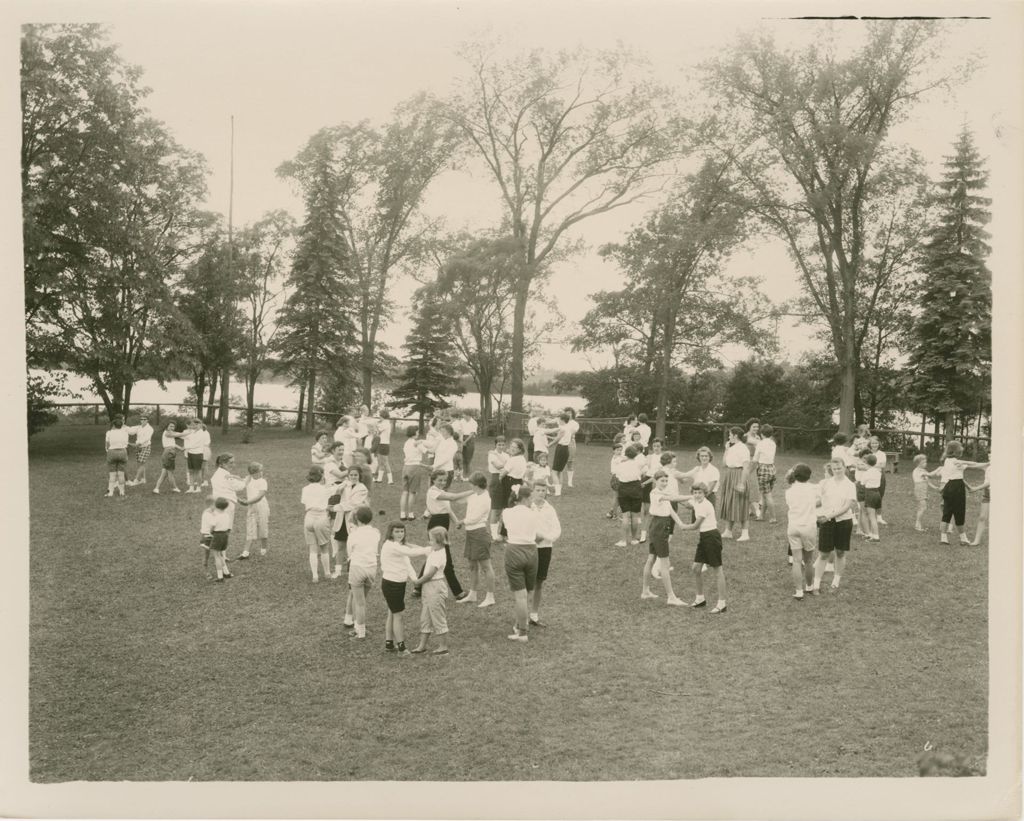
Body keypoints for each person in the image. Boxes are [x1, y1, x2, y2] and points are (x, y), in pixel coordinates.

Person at [379, 521, 432, 656]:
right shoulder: (391, 546)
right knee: (398, 616)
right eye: (396, 531)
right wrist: (429, 549)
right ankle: (401, 648)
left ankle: (389, 643)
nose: (400, 534)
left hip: (397, 584)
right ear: (390, 532)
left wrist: (415, 580)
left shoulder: (398, 546)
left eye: (402, 531)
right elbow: (412, 553)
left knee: (392, 612)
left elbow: (407, 563)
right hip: (392, 584)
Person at [423, 470, 475, 600]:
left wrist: (456, 521)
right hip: (436, 524)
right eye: (439, 480)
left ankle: (417, 588)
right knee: (445, 559)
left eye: (444, 480)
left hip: (443, 523)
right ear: (433, 480)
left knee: (434, 554)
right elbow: (454, 498)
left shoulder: (442, 492)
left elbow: (448, 509)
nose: (442, 482)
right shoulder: (432, 491)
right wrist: (474, 490)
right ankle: (458, 592)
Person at [640, 471, 690, 606]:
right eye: (662, 481)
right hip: (659, 527)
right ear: (655, 481)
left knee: (651, 558)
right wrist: (693, 496)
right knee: (665, 563)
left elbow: (671, 510)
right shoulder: (656, 493)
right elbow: (673, 499)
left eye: (666, 481)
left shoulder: (664, 493)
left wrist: (681, 524)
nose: (665, 483)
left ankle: (645, 591)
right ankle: (671, 597)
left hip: (659, 525)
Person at [678, 483, 727, 613]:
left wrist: (684, 526)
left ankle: (722, 603)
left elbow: (695, 525)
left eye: (700, 492)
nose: (697, 495)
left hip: (711, 537)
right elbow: (689, 504)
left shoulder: (705, 505)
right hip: (704, 538)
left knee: (717, 569)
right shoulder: (697, 502)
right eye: (695, 493)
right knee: (696, 568)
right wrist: (672, 500)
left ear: (705, 493)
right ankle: (700, 599)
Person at [502, 485, 542, 642]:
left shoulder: (507, 512)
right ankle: (519, 626)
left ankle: (523, 632)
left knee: (520, 595)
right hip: (532, 552)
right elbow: (538, 535)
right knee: (526, 593)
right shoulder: (534, 513)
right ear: (526, 498)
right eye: (531, 496)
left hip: (514, 551)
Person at [929, 441, 988, 546]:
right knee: (959, 512)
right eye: (960, 448)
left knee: (947, 512)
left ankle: (943, 538)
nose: (962, 449)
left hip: (948, 487)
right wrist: (988, 464)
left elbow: (961, 474)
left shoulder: (947, 461)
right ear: (956, 451)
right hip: (957, 488)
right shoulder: (957, 462)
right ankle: (963, 538)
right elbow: (974, 465)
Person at [812, 457, 858, 591]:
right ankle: (816, 584)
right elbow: (819, 500)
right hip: (826, 521)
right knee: (824, 553)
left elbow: (847, 506)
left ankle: (836, 581)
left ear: (845, 468)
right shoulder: (826, 483)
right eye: (834, 469)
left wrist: (828, 516)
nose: (837, 471)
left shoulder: (850, 485)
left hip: (843, 521)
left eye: (839, 468)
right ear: (831, 469)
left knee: (840, 552)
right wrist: (807, 506)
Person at [410, 526, 452, 655]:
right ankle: (422, 645)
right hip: (428, 588)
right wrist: (404, 544)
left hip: (435, 586)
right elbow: (418, 549)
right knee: (426, 616)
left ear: (439, 541)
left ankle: (443, 646)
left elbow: (430, 574)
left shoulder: (439, 554)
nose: (429, 542)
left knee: (437, 615)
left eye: (431, 540)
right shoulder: (434, 550)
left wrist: (418, 582)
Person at [342, 506, 380, 640]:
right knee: (361, 599)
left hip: (357, 567)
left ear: (357, 519)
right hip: (372, 568)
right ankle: (357, 627)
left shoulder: (353, 535)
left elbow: (349, 552)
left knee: (359, 602)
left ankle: (360, 631)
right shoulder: (376, 533)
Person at [784, 464, 820, 600]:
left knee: (797, 561)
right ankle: (809, 587)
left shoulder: (789, 491)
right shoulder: (813, 489)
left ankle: (798, 591)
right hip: (809, 526)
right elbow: (820, 500)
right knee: (809, 560)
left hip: (793, 526)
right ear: (809, 476)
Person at [461, 472, 496, 608]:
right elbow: (459, 500)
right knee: (472, 565)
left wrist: (461, 521)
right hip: (470, 533)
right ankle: (473, 594)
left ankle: (490, 596)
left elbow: (474, 518)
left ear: (477, 485)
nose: (470, 486)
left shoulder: (485, 499)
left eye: (472, 484)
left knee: (486, 566)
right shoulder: (474, 495)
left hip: (479, 533)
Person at [530, 483, 562, 626]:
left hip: (545, 548)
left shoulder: (550, 509)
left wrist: (546, 537)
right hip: (529, 548)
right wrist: (532, 537)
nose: (541, 493)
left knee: (539, 582)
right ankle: (522, 614)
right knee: (526, 582)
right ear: (533, 491)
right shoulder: (528, 507)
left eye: (543, 490)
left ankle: (534, 614)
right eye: (538, 490)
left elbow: (557, 530)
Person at [332, 467, 369, 579]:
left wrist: (334, 508)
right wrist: (340, 487)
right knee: (340, 546)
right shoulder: (345, 485)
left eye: (355, 475)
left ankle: (352, 570)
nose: (353, 477)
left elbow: (353, 504)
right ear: (348, 475)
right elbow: (334, 492)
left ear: (359, 476)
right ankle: (338, 571)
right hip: (342, 519)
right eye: (351, 475)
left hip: (353, 520)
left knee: (353, 546)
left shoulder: (362, 489)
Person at [719, 427, 752, 542]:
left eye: (730, 435)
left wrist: (742, 483)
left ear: (735, 435)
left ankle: (745, 533)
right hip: (730, 475)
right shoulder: (732, 448)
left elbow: (746, 467)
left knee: (741, 504)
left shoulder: (743, 449)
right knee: (729, 503)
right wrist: (726, 449)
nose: (729, 437)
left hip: (739, 475)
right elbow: (724, 464)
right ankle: (728, 531)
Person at [301, 466, 333, 582]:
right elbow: (336, 489)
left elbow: (304, 502)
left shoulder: (305, 489)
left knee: (312, 548)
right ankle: (327, 573)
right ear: (322, 476)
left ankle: (315, 575)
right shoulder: (324, 489)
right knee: (324, 547)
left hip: (309, 517)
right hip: (321, 517)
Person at [496, 438, 529, 540]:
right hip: (518, 482)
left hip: (509, 482)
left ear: (520, 449)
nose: (512, 449)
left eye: (515, 447)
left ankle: (504, 534)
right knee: (513, 508)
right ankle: (507, 534)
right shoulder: (522, 458)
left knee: (507, 508)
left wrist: (500, 480)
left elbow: (503, 473)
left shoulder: (513, 459)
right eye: (512, 447)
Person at [613, 444, 645, 547]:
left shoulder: (621, 465)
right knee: (635, 515)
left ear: (626, 454)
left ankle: (623, 541)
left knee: (625, 515)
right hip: (636, 488)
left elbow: (617, 476)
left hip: (624, 488)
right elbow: (644, 473)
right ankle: (634, 539)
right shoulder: (638, 464)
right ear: (635, 455)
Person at [238, 462, 270, 559]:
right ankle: (246, 552)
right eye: (260, 471)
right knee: (250, 527)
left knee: (263, 527)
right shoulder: (249, 479)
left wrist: (247, 502)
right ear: (254, 473)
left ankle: (263, 548)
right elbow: (240, 481)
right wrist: (231, 477)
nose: (262, 472)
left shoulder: (262, 481)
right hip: (251, 507)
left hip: (261, 506)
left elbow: (260, 496)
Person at [210, 453, 247, 533]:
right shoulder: (226, 475)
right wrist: (246, 481)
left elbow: (225, 489)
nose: (233, 465)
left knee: (218, 526)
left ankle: (212, 543)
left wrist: (237, 498)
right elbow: (238, 486)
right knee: (225, 528)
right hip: (227, 504)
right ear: (223, 464)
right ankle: (219, 544)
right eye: (231, 463)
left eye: (233, 462)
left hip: (218, 503)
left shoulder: (218, 474)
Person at [400, 426, 429, 521]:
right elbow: (428, 451)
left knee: (405, 492)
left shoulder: (406, 443)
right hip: (415, 467)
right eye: (417, 432)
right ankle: (411, 514)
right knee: (412, 492)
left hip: (406, 467)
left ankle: (402, 514)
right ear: (414, 433)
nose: (418, 433)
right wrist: (423, 441)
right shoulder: (417, 443)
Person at [753, 424, 778, 523]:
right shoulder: (773, 443)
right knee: (764, 494)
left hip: (763, 468)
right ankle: (761, 516)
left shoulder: (760, 443)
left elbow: (756, 458)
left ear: (762, 434)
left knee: (767, 495)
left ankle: (773, 517)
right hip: (772, 468)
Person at [486, 437, 509, 540]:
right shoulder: (492, 454)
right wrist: (510, 462)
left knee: (504, 508)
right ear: (495, 445)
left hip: (506, 480)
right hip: (496, 480)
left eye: (503, 444)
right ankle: (494, 535)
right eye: (499, 444)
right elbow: (498, 466)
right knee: (496, 508)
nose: (501, 446)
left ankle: (501, 532)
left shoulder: (506, 454)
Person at [153, 421, 185, 494]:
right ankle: (175, 488)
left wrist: (181, 448)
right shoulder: (167, 433)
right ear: (167, 426)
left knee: (164, 473)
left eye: (173, 427)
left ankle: (156, 488)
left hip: (169, 452)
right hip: (168, 453)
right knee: (170, 472)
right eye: (170, 426)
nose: (172, 428)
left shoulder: (170, 433)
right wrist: (190, 432)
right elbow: (179, 434)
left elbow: (173, 444)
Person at [551, 411, 577, 496]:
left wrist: (549, 444)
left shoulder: (562, 428)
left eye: (559, 419)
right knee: (560, 471)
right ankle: (559, 489)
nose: (558, 420)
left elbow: (557, 439)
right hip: (566, 449)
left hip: (561, 449)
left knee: (554, 471)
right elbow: (558, 437)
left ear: (562, 420)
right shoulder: (568, 428)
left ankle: (557, 492)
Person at [208, 497, 234, 582]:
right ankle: (226, 572)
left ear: (216, 506)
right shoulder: (226, 515)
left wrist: (209, 532)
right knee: (221, 555)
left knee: (217, 556)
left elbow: (212, 527)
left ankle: (220, 576)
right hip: (225, 535)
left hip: (217, 535)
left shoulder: (215, 516)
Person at [104, 414, 131, 498]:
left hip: (112, 452)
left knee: (112, 474)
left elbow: (107, 445)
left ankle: (111, 492)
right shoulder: (125, 432)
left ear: (113, 424)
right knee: (121, 474)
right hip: (122, 451)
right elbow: (126, 444)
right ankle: (122, 492)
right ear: (122, 424)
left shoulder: (109, 432)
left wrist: (108, 450)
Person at [182, 418, 211, 494]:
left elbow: (195, 444)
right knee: (191, 471)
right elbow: (184, 437)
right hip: (190, 453)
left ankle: (198, 488)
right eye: (194, 424)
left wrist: (185, 448)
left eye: (197, 424)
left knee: (198, 471)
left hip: (197, 454)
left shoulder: (202, 433)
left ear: (201, 425)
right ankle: (191, 487)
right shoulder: (192, 432)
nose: (195, 425)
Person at [126, 413, 154, 486]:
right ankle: (143, 479)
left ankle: (136, 480)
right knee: (140, 463)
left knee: (141, 463)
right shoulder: (138, 427)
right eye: (141, 419)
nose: (143, 421)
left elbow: (147, 438)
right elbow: (131, 431)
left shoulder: (150, 429)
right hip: (139, 447)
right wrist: (123, 426)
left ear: (147, 420)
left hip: (145, 447)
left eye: (144, 419)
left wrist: (138, 444)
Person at [860, 453, 882, 542]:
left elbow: (862, 483)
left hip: (870, 493)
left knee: (871, 516)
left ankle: (876, 536)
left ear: (866, 462)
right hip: (877, 493)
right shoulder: (878, 471)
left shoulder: (867, 473)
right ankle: (873, 534)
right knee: (874, 515)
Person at [967, 465, 991, 546]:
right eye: (989, 456)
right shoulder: (988, 466)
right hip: (987, 493)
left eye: (991, 456)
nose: (990, 458)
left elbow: (990, 482)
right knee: (982, 517)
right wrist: (961, 463)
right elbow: (975, 464)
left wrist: (975, 488)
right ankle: (976, 541)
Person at [867, 436, 889, 525]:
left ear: (878, 444)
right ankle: (869, 516)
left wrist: (870, 465)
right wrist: (876, 464)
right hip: (868, 476)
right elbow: (864, 463)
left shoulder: (882, 454)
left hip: (879, 476)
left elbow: (883, 465)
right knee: (868, 496)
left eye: (876, 443)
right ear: (870, 444)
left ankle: (879, 517)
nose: (874, 445)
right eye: (872, 443)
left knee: (879, 496)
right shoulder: (867, 453)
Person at [431, 424, 460, 489]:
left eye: (443, 431)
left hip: (446, 470)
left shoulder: (453, 443)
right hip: (437, 469)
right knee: (433, 491)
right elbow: (432, 447)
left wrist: (434, 466)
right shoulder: (442, 441)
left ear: (449, 432)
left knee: (443, 492)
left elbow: (447, 458)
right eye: (441, 431)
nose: (441, 433)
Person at [198, 495, 218, 579]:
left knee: (217, 553)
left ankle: (220, 569)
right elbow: (213, 525)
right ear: (211, 505)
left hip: (211, 535)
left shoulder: (212, 512)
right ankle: (206, 571)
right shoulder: (207, 514)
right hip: (207, 536)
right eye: (215, 505)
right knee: (206, 554)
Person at [375, 409, 395, 484]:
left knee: (385, 462)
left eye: (380, 416)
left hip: (384, 444)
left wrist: (375, 425)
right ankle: (379, 479)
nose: (379, 417)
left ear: (383, 416)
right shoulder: (384, 423)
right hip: (381, 444)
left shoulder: (385, 423)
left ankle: (390, 480)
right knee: (380, 462)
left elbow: (377, 431)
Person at [911, 453, 929, 532]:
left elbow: (927, 480)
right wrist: (939, 469)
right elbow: (930, 474)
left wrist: (935, 487)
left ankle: (918, 525)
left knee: (921, 507)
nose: (925, 464)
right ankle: (917, 525)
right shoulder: (917, 471)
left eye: (925, 462)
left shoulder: (923, 470)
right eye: (923, 462)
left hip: (923, 489)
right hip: (919, 489)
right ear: (918, 463)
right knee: (923, 507)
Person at [458, 412, 478, 480]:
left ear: (468, 415)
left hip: (470, 439)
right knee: (462, 458)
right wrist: (461, 441)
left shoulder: (474, 422)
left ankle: (469, 475)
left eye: (464, 414)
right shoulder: (461, 421)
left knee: (468, 458)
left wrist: (465, 442)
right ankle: (463, 474)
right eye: (463, 414)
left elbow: (472, 434)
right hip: (462, 438)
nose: (463, 415)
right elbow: (460, 431)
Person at [564, 407, 580, 488]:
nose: (568, 414)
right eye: (566, 412)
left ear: (572, 414)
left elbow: (571, 433)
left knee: (570, 462)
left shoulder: (575, 423)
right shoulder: (562, 422)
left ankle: (569, 482)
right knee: (560, 462)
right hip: (562, 442)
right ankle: (558, 481)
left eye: (570, 413)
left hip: (571, 442)